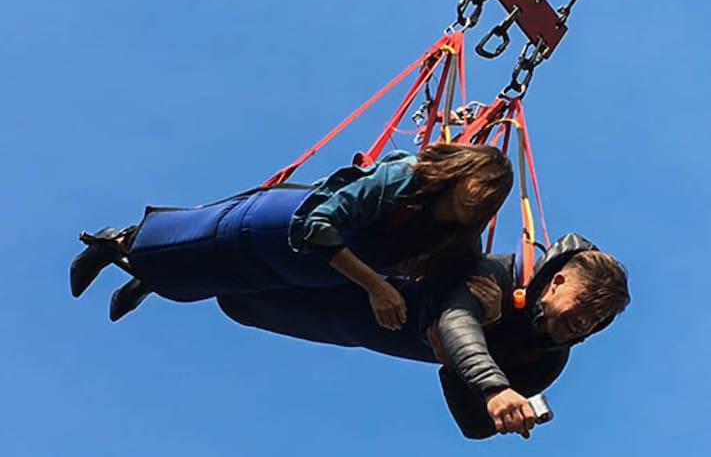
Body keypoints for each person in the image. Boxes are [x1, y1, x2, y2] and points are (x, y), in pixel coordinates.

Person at [214, 233, 630, 439]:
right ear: (557, 282)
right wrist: (494, 387)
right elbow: (455, 319)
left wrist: (457, 371)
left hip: (345, 323)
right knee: (244, 256)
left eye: (598, 319)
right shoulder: (502, 275)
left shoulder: (546, 359)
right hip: (367, 282)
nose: (585, 323)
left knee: (238, 301)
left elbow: (477, 426)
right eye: (585, 306)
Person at [70, 143, 513, 325]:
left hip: (301, 269)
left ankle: (147, 276)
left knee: (200, 283)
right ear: (463, 170)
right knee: (193, 243)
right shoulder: (404, 178)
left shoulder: (453, 237)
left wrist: (490, 311)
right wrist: (377, 287)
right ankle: (117, 241)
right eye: (482, 184)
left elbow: (450, 283)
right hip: (279, 231)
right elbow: (315, 224)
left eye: (493, 197)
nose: (481, 198)